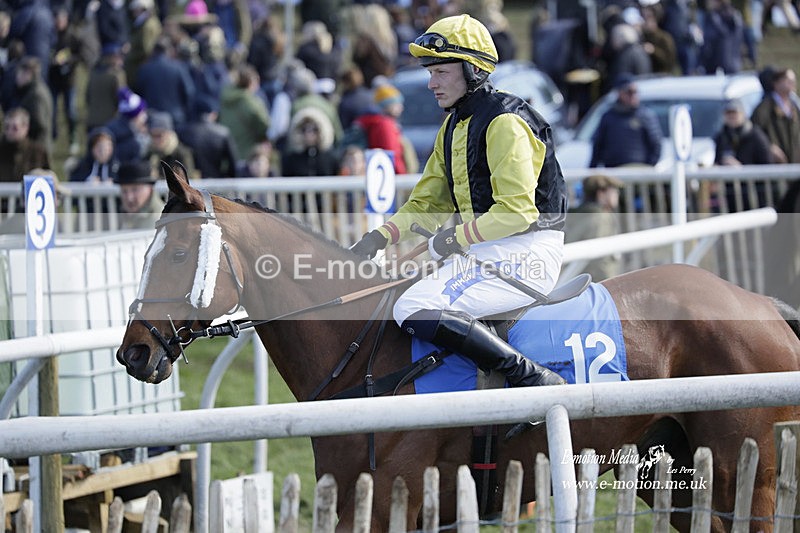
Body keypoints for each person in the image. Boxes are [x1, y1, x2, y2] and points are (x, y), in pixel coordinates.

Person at [350, 15, 566, 390]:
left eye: (442, 73)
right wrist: (378, 238)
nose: (431, 83)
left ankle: (530, 377)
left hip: (527, 252)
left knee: (411, 307)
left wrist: (453, 239)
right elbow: (428, 204)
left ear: (473, 70)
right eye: (430, 72)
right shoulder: (452, 127)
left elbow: (516, 212)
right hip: (490, 250)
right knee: (394, 294)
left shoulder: (504, 122)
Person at [590, 74, 663, 168]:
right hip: (613, 172)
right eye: (629, 92)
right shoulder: (608, 117)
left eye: (635, 92)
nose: (633, 95)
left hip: (639, 173)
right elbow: (597, 146)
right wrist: (592, 170)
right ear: (619, 93)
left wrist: (648, 169)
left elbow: (656, 144)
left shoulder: (645, 116)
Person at [566, 175, 623, 281]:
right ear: (601, 194)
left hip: (574, 279)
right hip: (595, 282)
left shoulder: (577, 214)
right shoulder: (601, 218)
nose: (617, 195)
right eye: (613, 191)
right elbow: (600, 258)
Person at [750, 68, 800, 164]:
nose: (792, 83)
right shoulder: (764, 107)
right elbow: (755, 131)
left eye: (793, 80)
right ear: (776, 83)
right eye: (788, 80)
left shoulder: (795, 106)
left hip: (795, 164)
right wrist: (769, 146)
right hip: (775, 165)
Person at [115, 159, 164, 230]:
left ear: (150, 188)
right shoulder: (124, 215)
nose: (129, 197)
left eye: (135, 190)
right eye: (124, 191)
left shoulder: (162, 219)